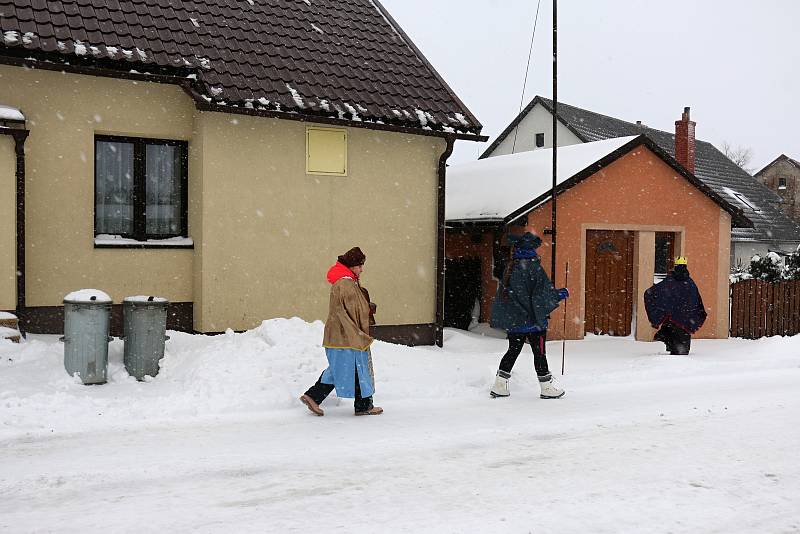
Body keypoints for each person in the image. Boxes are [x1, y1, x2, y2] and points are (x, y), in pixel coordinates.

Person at [300, 247, 383, 416]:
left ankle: (314, 397)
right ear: (352, 266)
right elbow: (346, 312)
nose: (362, 269)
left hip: (342, 335)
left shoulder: (347, 282)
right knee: (357, 369)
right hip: (347, 336)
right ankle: (363, 406)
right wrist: (357, 334)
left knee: (342, 369)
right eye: (359, 266)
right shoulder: (345, 284)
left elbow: (351, 309)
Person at [489, 232, 569, 399]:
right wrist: (559, 294)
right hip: (533, 322)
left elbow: (514, 296)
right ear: (532, 249)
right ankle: (546, 388)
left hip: (515, 321)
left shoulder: (511, 267)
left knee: (513, 350)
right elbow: (539, 296)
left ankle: (499, 385)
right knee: (539, 353)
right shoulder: (534, 268)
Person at [644, 256, 707, 355]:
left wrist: (664, 308)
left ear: (675, 266)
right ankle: (681, 351)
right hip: (686, 319)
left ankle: (674, 349)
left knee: (672, 336)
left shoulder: (669, 282)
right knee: (682, 344)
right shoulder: (690, 283)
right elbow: (695, 300)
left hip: (671, 319)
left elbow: (652, 293)